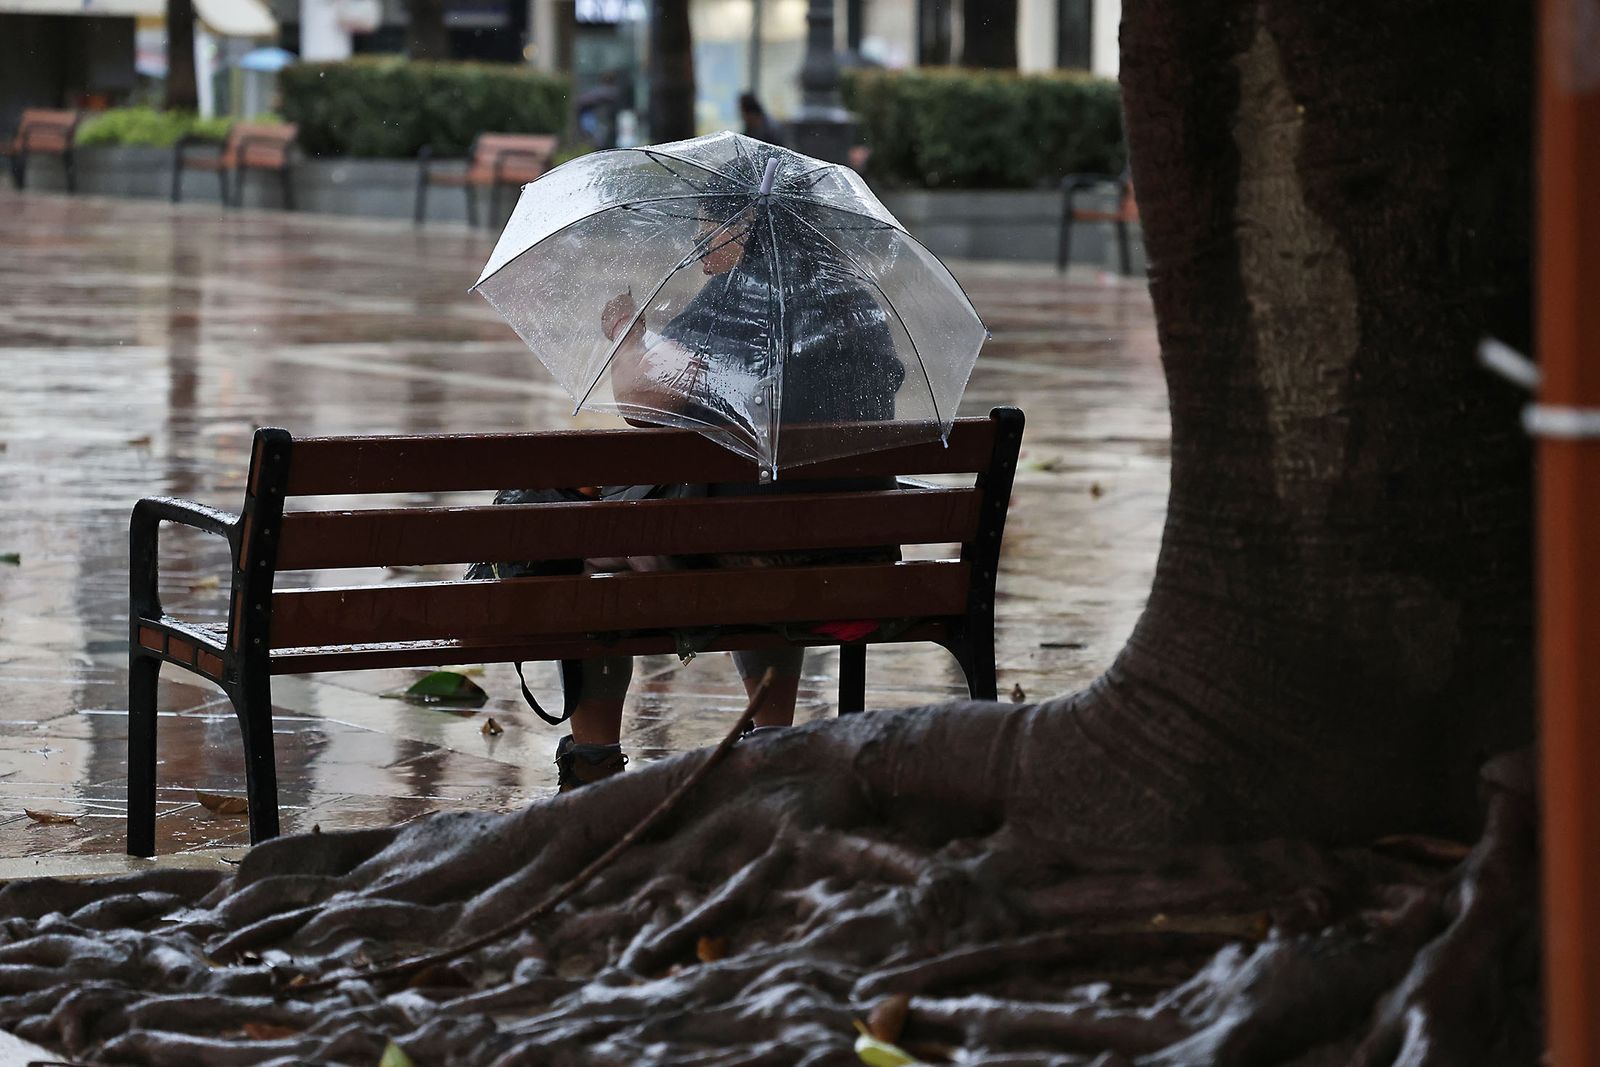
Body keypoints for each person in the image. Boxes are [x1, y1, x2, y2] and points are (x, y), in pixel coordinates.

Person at [552, 202, 906, 791]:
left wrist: (626, 337)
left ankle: (593, 758)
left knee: (582, 546)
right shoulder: (856, 303)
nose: (696, 240)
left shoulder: (740, 298)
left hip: (747, 559)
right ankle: (771, 736)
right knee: (764, 531)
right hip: (848, 562)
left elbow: (643, 405)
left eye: (706, 224)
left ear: (743, 225)